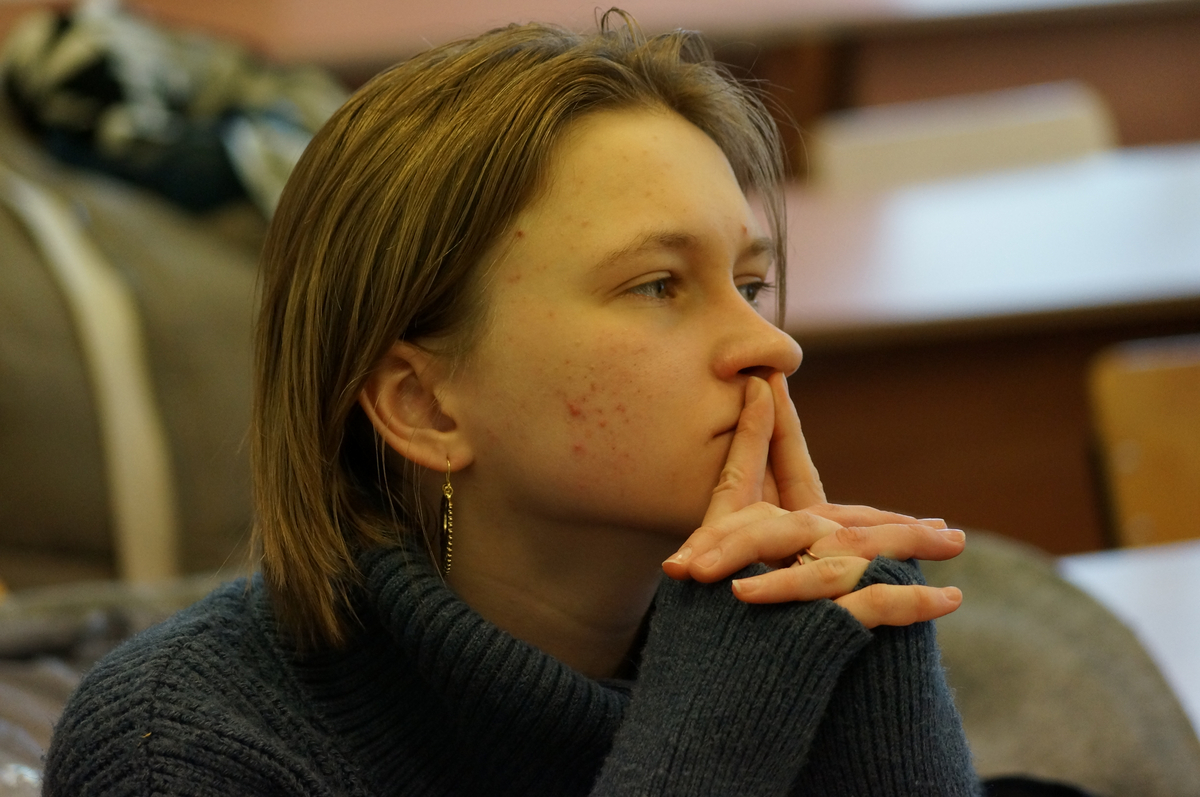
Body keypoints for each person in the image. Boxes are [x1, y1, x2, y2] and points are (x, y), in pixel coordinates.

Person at [44, 11, 981, 795]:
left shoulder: (796, 636)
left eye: (750, 283)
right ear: (424, 406)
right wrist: (711, 732)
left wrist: (875, 663)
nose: (774, 346)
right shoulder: (175, 748)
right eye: (658, 284)